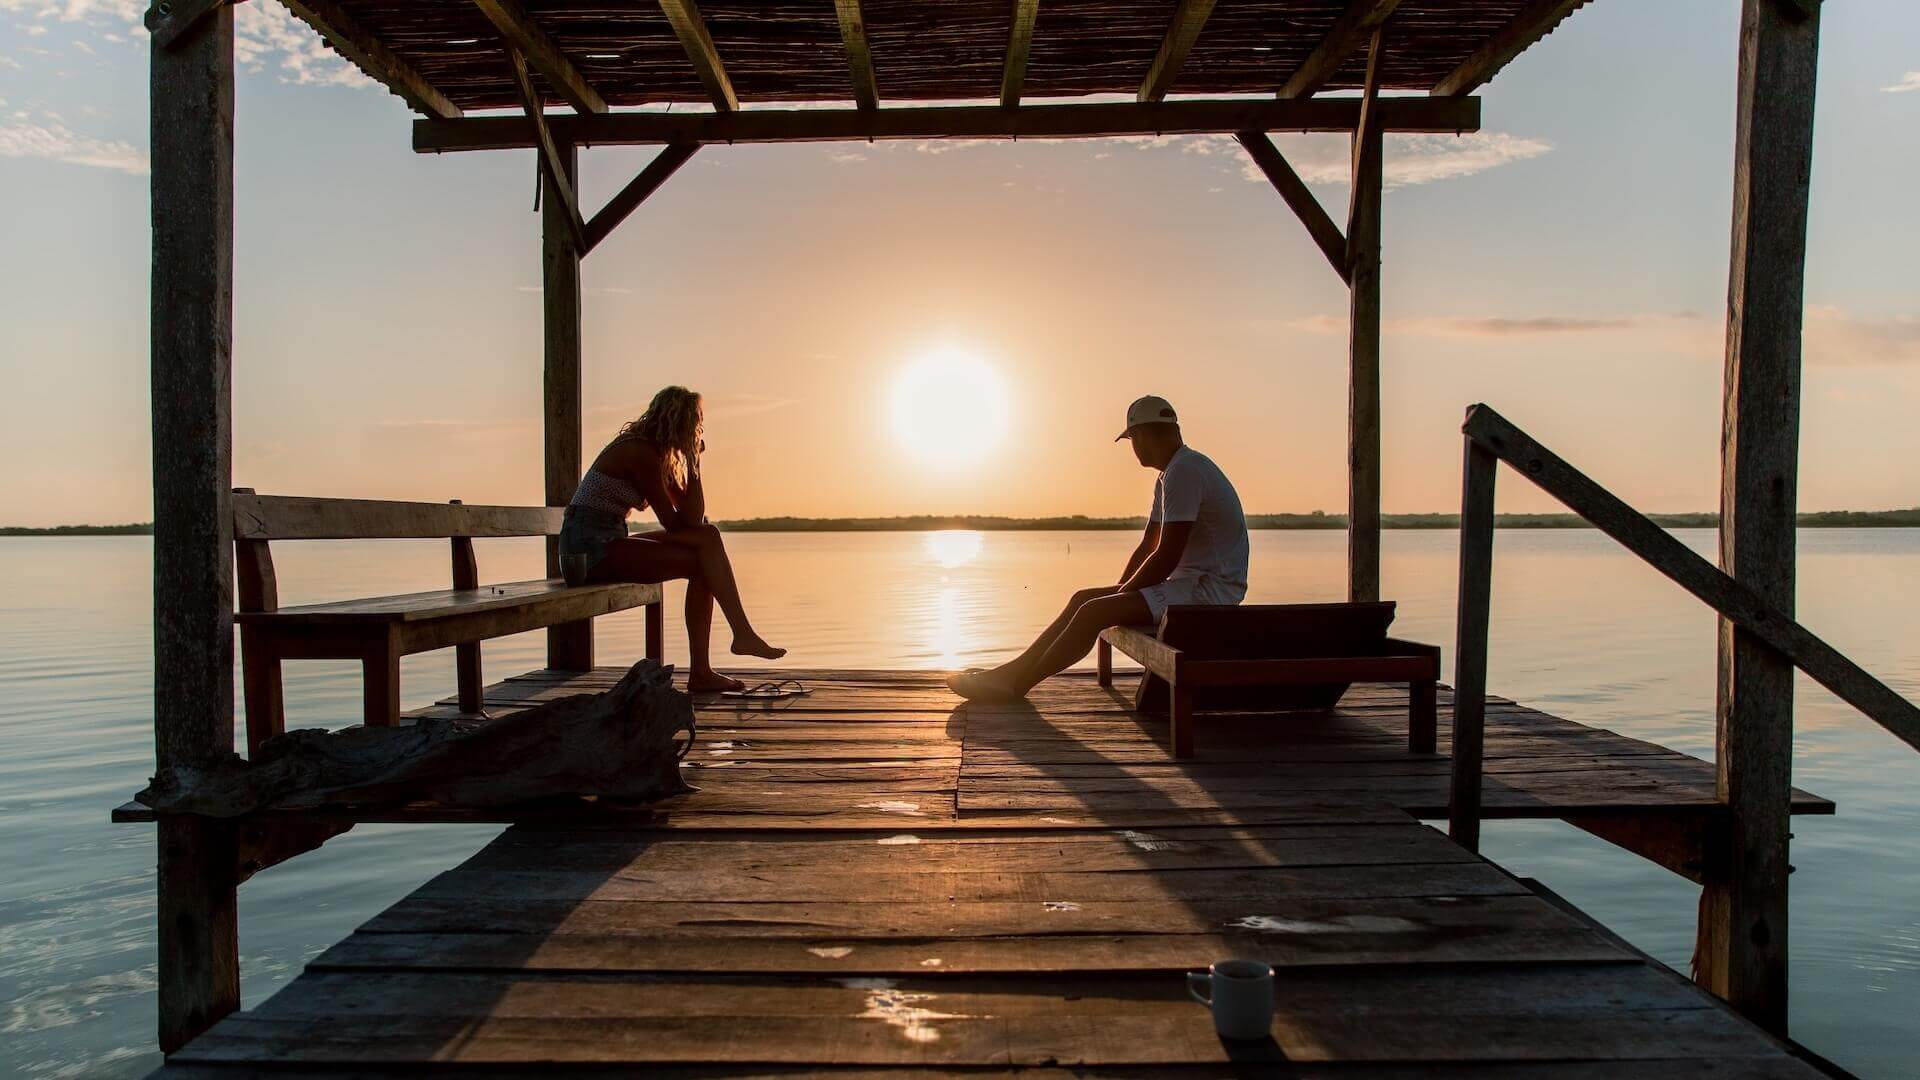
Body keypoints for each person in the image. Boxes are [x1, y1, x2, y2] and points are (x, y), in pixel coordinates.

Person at [948, 395, 1248, 702]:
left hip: (1209, 591)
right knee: (1084, 598)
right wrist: (1122, 589)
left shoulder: (1185, 471)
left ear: (1141, 437)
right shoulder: (1171, 473)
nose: (1133, 448)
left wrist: (1120, 597)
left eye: (1131, 439)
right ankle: (1012, 671)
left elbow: (1166, 556)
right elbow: (1149, 544)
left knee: (1094, 611)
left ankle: (1016, 683)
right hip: (1191, 586)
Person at [560, 385, 784, 692]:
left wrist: (694, 464)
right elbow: (675, 524)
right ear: (676, 422)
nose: (697, 430)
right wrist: (690, 461)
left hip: (609, 539)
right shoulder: (638, 452)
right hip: (587, 549)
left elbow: (692, 519)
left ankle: (713, 661)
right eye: (694, 423)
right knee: (704, 551)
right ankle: (727, 647)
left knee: (707, 543)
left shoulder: (659, 455)